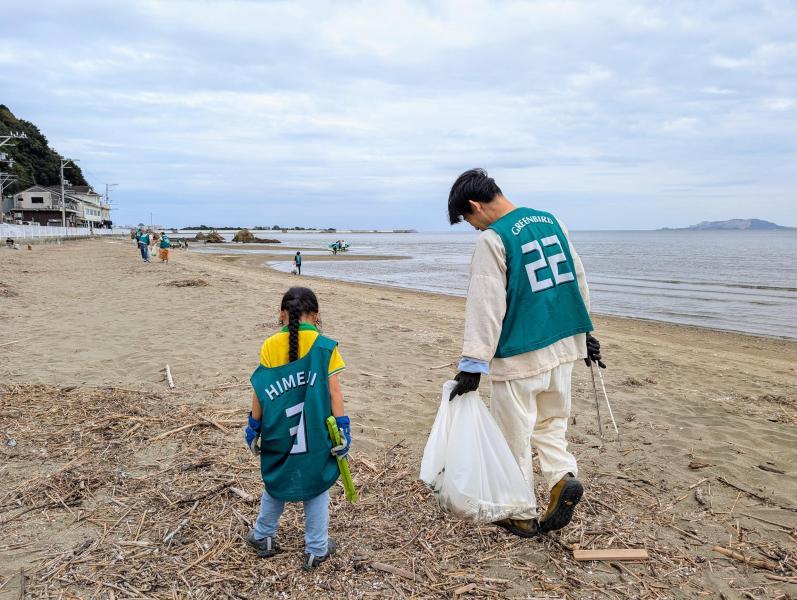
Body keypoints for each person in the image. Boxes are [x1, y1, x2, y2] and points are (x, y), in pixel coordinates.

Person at [446, 168, 606, 539]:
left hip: (520, 354)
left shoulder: (494, 239)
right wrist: (586, 334)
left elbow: (485, 304)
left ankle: (520, 512)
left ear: (475, 206)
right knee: (552, 423)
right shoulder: (553, 222)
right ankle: (561, 478)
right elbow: (577, 279)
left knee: (512, 435)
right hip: (562, 345)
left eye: (469, 221)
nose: (474, 229)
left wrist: (473, 364)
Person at [244, 287, 350, 569]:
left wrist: (254, 426)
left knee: (277, 480)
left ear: (282, 315)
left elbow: (260, 390)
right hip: (315, 431)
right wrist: (343, 429)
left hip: (278, 427)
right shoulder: (325, 346)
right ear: (315, 316)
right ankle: (316, 548)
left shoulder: (269, 345)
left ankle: (263, 535)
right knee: (315, 485)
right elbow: (334, 393)